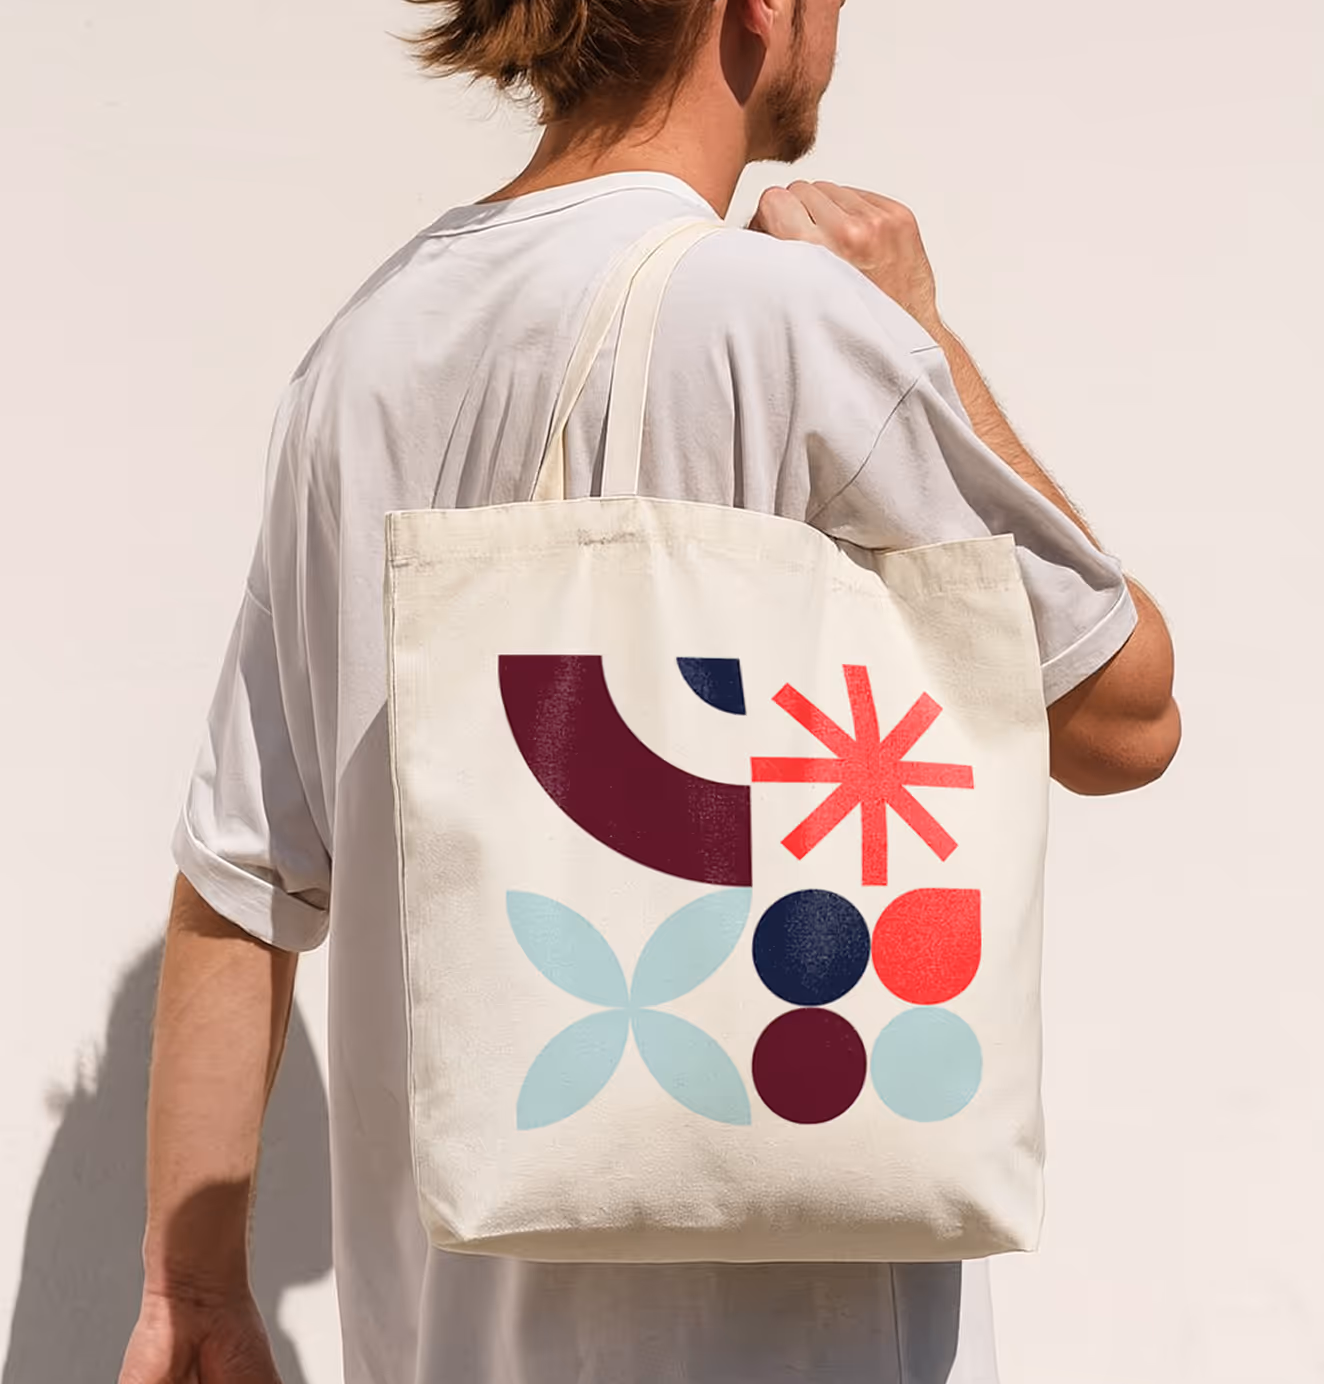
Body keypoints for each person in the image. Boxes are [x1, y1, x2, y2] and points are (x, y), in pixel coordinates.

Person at [118, 0, 1181, 1374]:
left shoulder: (361, 355)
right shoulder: (795, 320)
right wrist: (924, 329)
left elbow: (244, 872)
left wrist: (189, 1294)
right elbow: (1123, 716)